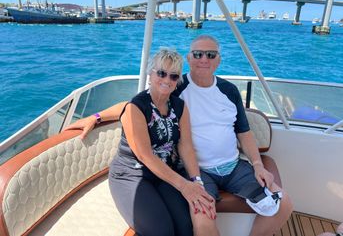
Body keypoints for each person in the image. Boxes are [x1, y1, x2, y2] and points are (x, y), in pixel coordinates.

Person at [64, 48, 216, 236]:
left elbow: (186, 146)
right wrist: (185, 186)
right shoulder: (137, 106)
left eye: (173, 76)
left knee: (185, 226)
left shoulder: (179, 106)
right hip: (131, 175)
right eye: (161, 73)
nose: (167, 80)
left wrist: (196, 182)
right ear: (150, 74)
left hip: (163, 174)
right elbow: (145, 156)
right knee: (161, 231)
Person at [171, 35, 293, 236]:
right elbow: (145, 104)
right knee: (203, 221)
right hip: (197, 171)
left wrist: (258, 165)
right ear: (189, 58)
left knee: (283, 203)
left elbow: (244, 133)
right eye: (198, 54)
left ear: (218, 60)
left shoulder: (229, 90)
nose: (204, 59)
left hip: (234, 166)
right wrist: (98, 115)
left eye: (211, 55)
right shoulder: (176, 88)